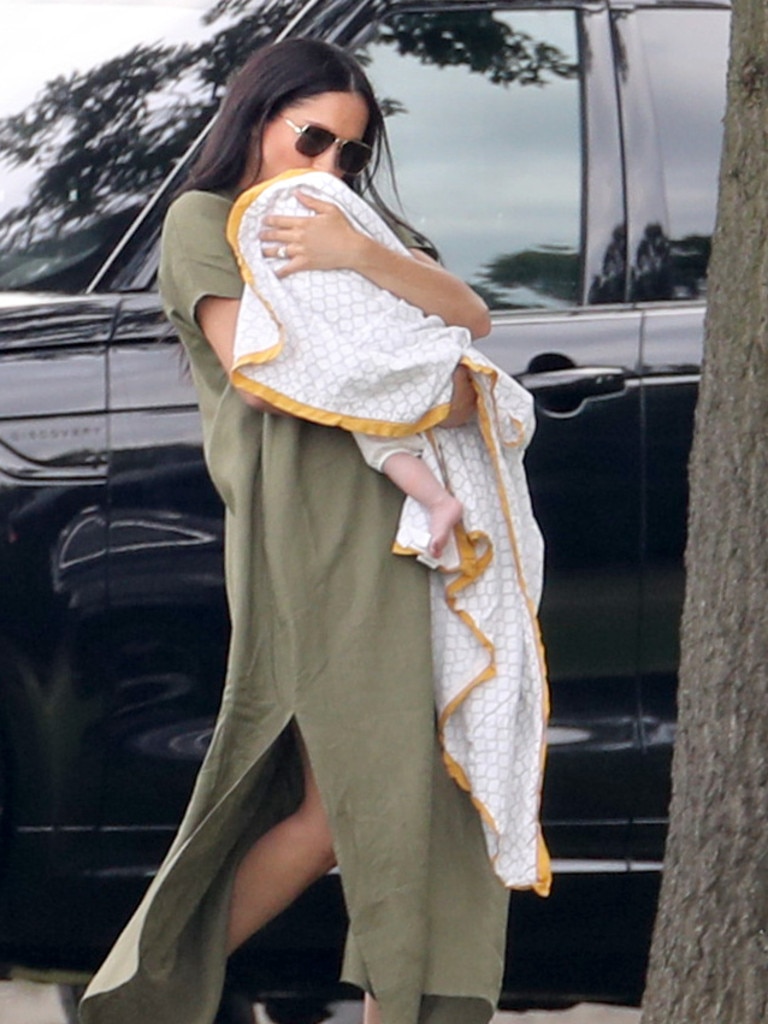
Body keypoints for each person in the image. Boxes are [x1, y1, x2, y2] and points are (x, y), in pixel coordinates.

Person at [78, 37, 549, 1024]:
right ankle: (140, 999)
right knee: (348, 802)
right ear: (257, 117)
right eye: (313, 138)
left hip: (413, 530)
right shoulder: (205, 221)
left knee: (408, 799)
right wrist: (423, 384)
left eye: (349, 152)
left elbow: (466, 318)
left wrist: (360, 255)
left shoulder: (349, 224)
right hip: (310, 539)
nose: (329, 165)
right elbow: (271, 363)